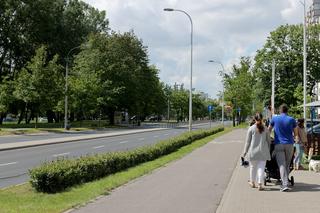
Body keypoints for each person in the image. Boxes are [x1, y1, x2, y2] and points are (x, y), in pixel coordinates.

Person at [268, 104, 297, 192]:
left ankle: (284, 184)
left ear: (280, 111)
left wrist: (268, 138)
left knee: (281, 164)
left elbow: (269, 129)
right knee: (287, 164)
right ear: (287, 111)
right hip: (290, 144)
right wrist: (294, 138)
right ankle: (285, 181)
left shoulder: (275, 119)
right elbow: (295, 133)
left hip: (278, 144)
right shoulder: (292, 119)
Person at [242, 112, 271, 191]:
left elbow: (248, 142)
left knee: (252, 167)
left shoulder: (251, 128)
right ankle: (260, 184)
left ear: (254, 119)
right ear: (262, 119)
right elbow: (269, 141)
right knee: (261, 168)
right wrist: (268, 149)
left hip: (253, 152)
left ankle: (252, 182)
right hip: (263, 152)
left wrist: (245, 152)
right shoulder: (266, 128)